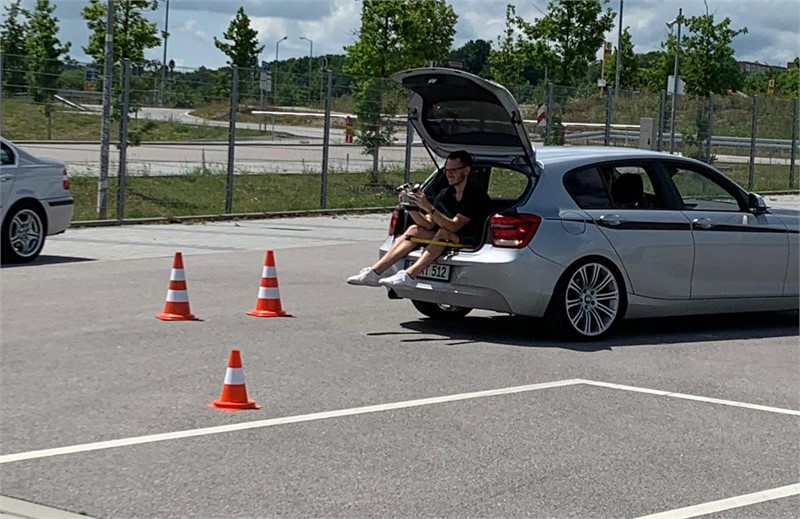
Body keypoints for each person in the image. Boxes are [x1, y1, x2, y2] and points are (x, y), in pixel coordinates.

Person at [347, 150, 490, 290]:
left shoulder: (475, 195)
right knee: (414, 230)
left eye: (453, 170)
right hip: (447, 236)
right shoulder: (445, 193)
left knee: (443, 233)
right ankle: (374, 272)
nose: (449, 174)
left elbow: (454, 226)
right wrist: (411, 207)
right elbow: (428, 223)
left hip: (469, 239)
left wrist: (428, 207)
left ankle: (409, 275)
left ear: (466, 171)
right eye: (446, 170)